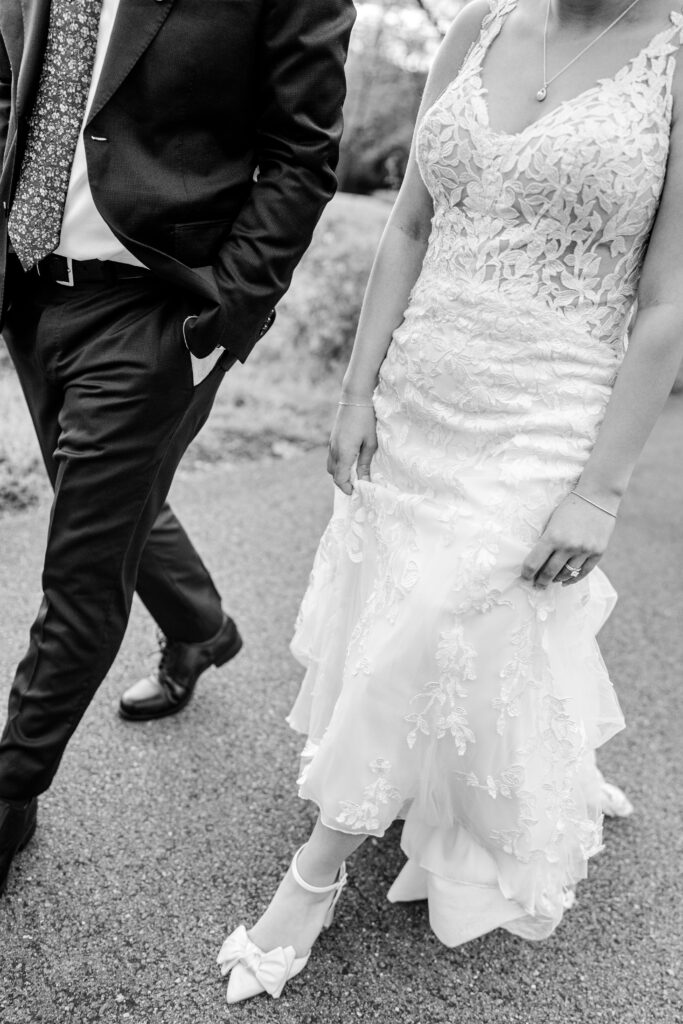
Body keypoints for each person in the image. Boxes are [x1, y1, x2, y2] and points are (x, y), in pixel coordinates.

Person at [217, 0, 683, 1004]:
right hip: (422, 387)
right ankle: (432, 768)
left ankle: (314, 874)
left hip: (548, 406)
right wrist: (354, 389)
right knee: (402, 600)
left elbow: (666, 302)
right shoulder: (473, 27)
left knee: (438, 608)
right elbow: (410, 224)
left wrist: (597, 491)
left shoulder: (675, 57)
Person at [0, 0, 356, 896]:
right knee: (110, 504)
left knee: (81, 570)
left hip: (157, 311)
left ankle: (10, 791)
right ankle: (201, 628)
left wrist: (220, 323)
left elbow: (302, 155)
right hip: (30, 289)